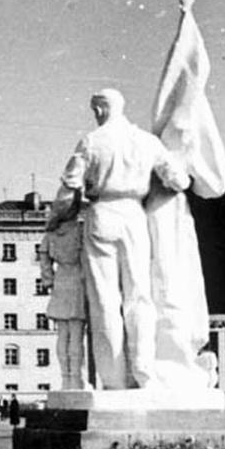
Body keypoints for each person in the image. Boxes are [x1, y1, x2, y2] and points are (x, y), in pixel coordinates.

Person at [54, 88, 190, 389]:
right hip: (134, 216)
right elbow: (178, 180)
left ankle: (113, 378)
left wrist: (57, 218)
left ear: (99, 110)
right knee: (139, 296)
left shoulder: (91, 141)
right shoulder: (146, 141)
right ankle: (143, 370)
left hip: (102, 214)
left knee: (105, 300)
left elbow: (68, 191)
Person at [39, 204, 89, 390]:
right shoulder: (80, 230)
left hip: (60, 280)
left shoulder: (51, 234)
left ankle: (65, 379)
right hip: (78, 281)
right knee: (76, 334)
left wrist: (49, 280)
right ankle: (77, 378)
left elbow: (43, 256)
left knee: (62, 334)